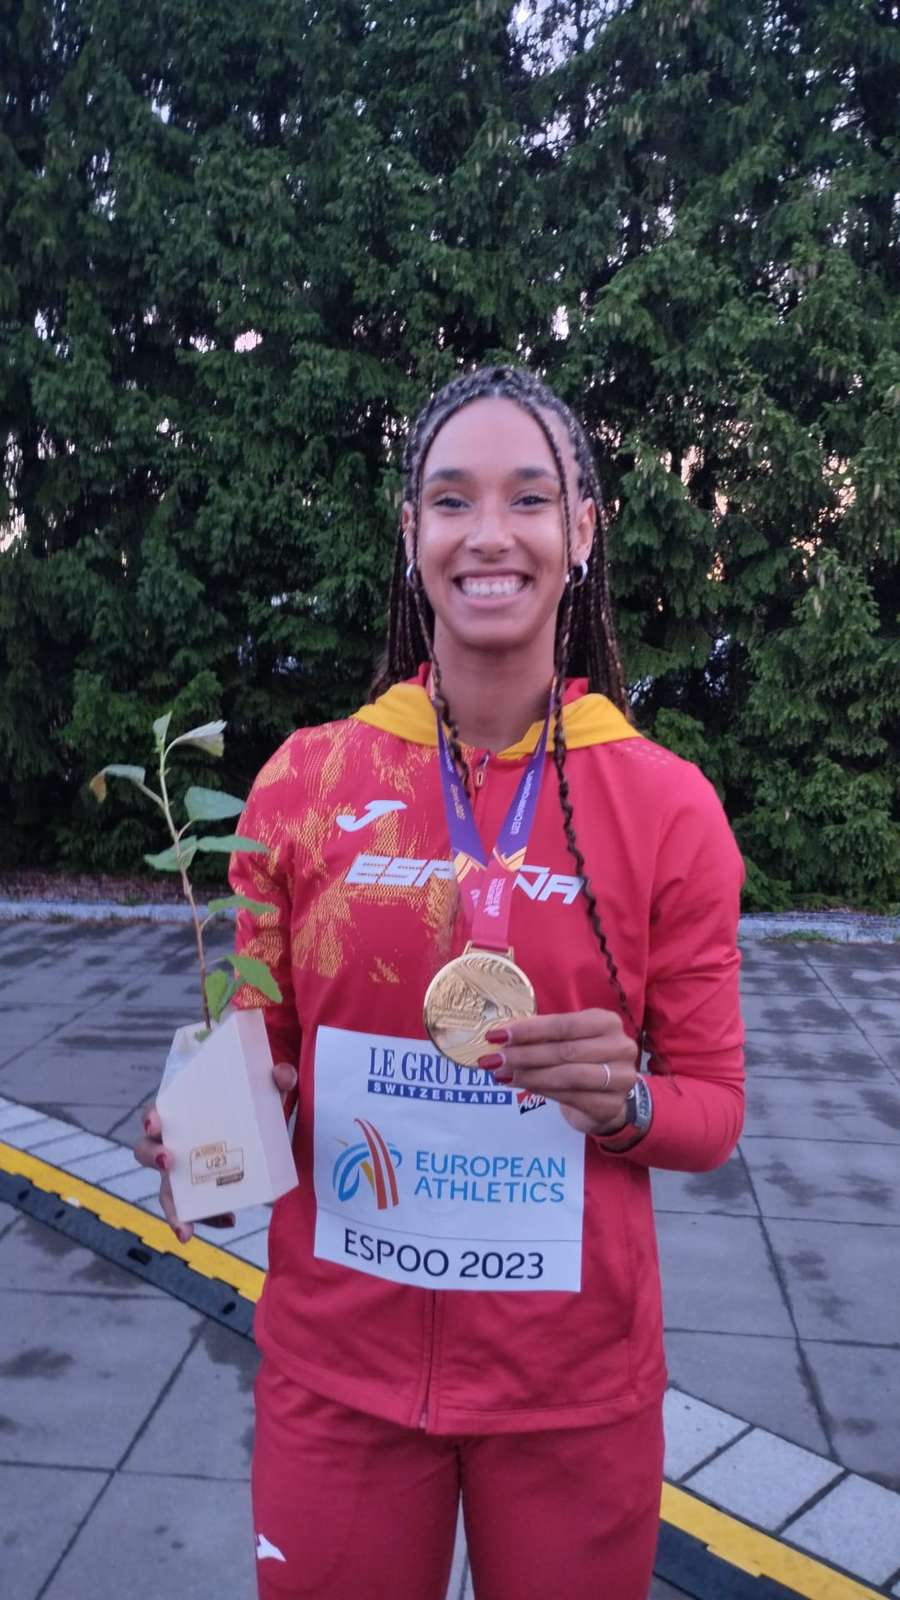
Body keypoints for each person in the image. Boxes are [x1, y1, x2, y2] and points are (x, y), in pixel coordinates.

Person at [137, 365, 745, 1600]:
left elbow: (711, 1110)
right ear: (412, 534)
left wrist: (623, 1102)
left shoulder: (667, 806)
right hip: (339, 1380)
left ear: (582, 530)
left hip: (573, 1394)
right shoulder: (304, 787)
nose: (488, 534)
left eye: (528, 499)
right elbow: (274, 1062)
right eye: (449, 499)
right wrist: (203, 1138)